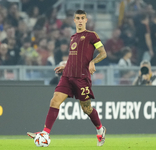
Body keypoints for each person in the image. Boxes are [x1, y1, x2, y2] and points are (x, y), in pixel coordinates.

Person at [27, 10, 107, 146]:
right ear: (74, 20)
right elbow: (74, 57)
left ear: (86, 20)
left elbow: (103, 53)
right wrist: (66, 66)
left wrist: (93, 62)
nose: (80, 20)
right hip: (67, 75)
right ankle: (45, 133)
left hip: (82, 78)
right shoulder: (73, 38)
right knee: (54, 101)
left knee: (86, 108)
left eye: (83, 18)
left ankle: (100, 129)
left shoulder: (91, 36)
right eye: (78, 18)